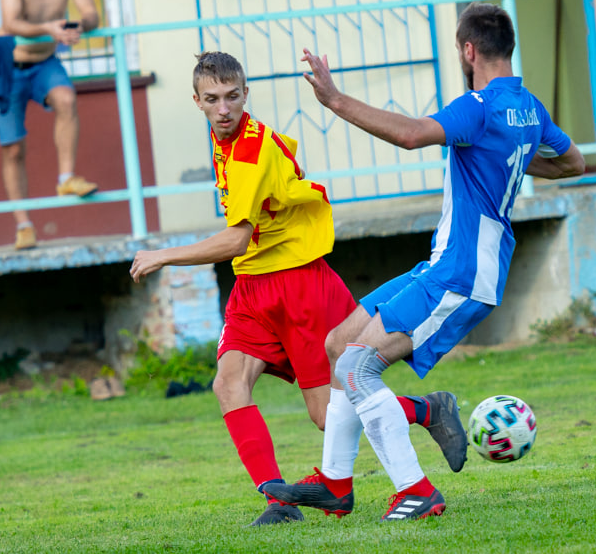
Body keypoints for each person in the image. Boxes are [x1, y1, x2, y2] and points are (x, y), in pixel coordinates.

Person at [263, 2, 586, 521]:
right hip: (446, 263)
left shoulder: (477, 106)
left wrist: (336, 99)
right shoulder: (529, 108)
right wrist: (520, 161)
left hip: (462, 274)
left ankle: (416, 489)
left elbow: (413, 135)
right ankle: (334, 482)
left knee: (355, 368)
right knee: (339, 343)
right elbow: (575, 162)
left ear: (468, 49)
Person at [129, 51, 468, 527]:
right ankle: (277, 500)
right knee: (228, 383)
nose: (223, 108)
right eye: (213, 100)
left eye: (232, 97)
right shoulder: (222, 138)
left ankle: (426, 409)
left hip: (301, 286)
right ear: (197, 102)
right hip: (252, 288)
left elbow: (235, 239)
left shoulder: (251, 150)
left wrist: (163, 254)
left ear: (246, 95)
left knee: (329, 416)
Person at [0, 0, 101, 250]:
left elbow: (92, 15)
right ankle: (24, 225)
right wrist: (48, 29)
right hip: (7, 60)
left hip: (45, 62)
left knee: (66, 98)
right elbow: (11, 22)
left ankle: (66, 178)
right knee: (13, 150)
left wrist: (77, 27)